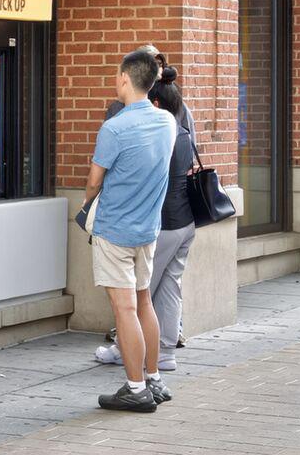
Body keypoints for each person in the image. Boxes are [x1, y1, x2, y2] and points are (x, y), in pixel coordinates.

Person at [79, 46, 176, 412]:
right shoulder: (166, 122)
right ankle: (154, 378)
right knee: (143, 301)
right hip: (148, 229)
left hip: (115, 230)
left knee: (124, 310)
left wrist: (88, 202)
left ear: (124, 78)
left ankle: (135, 389)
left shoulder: (114, 128)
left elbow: (93, 182)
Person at [97, 60, 195, 384]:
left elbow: (97, 179)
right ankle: (159, 364)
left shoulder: (124, 126)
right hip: (180, 222)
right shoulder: (176, 126)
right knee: (163, 292)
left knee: (135, 304)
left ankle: (135, 380)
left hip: (146, 223)